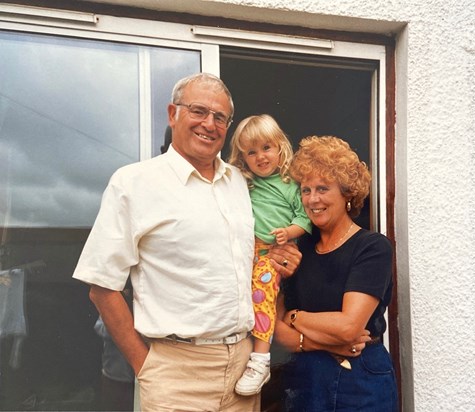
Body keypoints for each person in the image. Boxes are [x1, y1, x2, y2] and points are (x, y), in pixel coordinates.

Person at [72, 72, 301, 412]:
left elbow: (258, 254)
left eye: (220, 117)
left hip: (243, 366)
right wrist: (145, 366)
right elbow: (101, 286)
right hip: (175, 373)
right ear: (172, 113)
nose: (209, 123)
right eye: (198, 111)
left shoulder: (242, 183)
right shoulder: (134, 183)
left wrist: (285, 256)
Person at [275, 136, 398, 412]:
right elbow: (276, 329)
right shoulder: (299, 249)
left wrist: (296, 318)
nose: (312, 199)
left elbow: (349, 328)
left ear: (347, 194)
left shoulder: (372, 247)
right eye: (305, 190)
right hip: (306, 378)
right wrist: (305, 339)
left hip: (361, 377)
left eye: (322, 188)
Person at [228, 114, 312, 396]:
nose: (260, 157)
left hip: (274, 252)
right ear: (242, 157)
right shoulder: (243, 182)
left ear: (280, 148)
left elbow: (305, 219)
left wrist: (289, 232)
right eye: (251, 152)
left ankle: (260, 360)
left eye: (266, 148)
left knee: (262, 294)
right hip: (247, 252)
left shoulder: (290, 185)